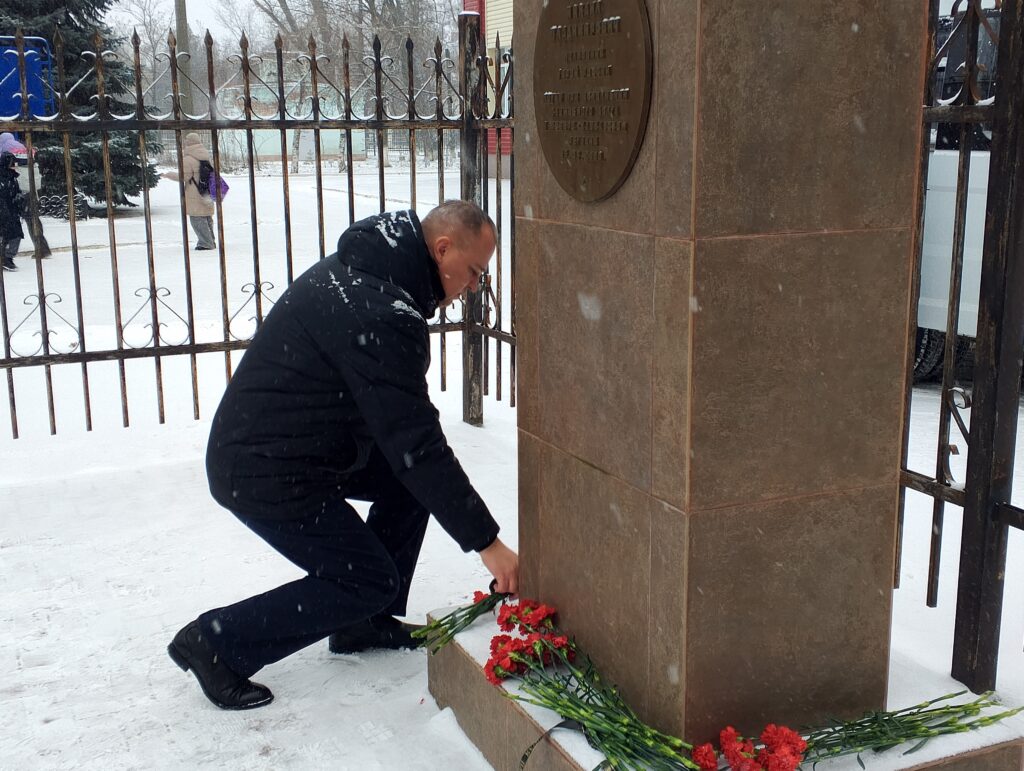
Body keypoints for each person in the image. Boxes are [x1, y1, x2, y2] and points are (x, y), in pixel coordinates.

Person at [168, 200, 519, 710]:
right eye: (474, 272)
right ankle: (216, 642)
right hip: (263, 467)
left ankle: (363, 622)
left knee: (408, 487)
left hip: (305, 445)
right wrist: (487, 542)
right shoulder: (379, 309)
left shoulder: (376, 271)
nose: (473, 286)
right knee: (366, 578)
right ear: (443, 249)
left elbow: (404, 445)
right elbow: (416, 443)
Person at [163, 132, 217, 251]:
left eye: (186, 140)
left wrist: (169, 175)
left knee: (196, 218)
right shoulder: (205, 155)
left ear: (189, 142)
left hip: (195, 193)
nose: (185, 142)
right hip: (206, 191)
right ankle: (210, 240)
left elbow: (184, 177)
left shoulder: (188, 159)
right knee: (207, 217)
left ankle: (206, 243)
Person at [0, 151, 25, 272]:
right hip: (4, 211)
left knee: (15, 235)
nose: (14, 166)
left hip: (12, 211)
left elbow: (15, 191)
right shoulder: (4, 177)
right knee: (6, 235)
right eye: (12, 163)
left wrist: (19, 199)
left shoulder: (12, 177)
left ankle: (7, 257)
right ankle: (5, 258)